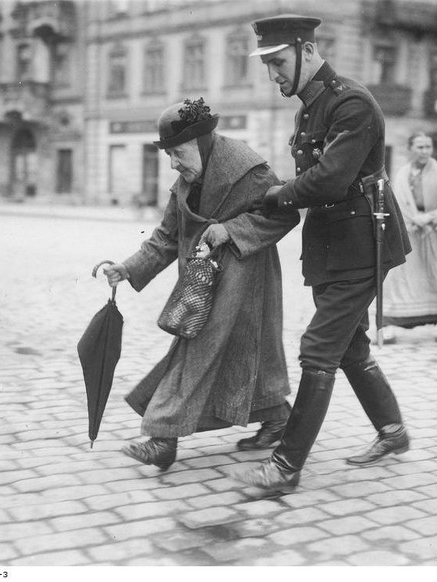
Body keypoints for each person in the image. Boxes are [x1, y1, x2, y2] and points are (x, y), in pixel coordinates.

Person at [229, 15, 412, 494]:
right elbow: (312, 183)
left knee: (319, 348)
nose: (272, 74)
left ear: (307, 51)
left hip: (363, 245)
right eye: (267, 64)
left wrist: (272, 196)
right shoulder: (310, 107)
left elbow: (328, 180)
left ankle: (285, 467)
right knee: (349, 345)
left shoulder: (352, 104)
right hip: (333, 246)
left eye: (278, 62)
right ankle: (393, 432)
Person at [101, 98, 300, 471]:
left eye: (177, 153)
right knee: (245, 354)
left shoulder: (248, 169)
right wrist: (128, 269)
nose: (173, 164)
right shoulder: (186, 184)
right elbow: (165, 237)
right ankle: (277, 418)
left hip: (247, 277)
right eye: (169, 155)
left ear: (200, 143)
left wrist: (232, 229)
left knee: (196, 351)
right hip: (206, 280)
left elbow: (285, 215)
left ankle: (163, 438)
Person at [382, 131, 437, 343]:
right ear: (410, 149)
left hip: (433, 235)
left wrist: (428, 218)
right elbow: (396, 202)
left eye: (428, 147)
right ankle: (389, 328)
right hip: (409, 234)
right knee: (397, 280)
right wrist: (409, 221)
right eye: (420, 147)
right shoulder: (402, 173)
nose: (425, 151)